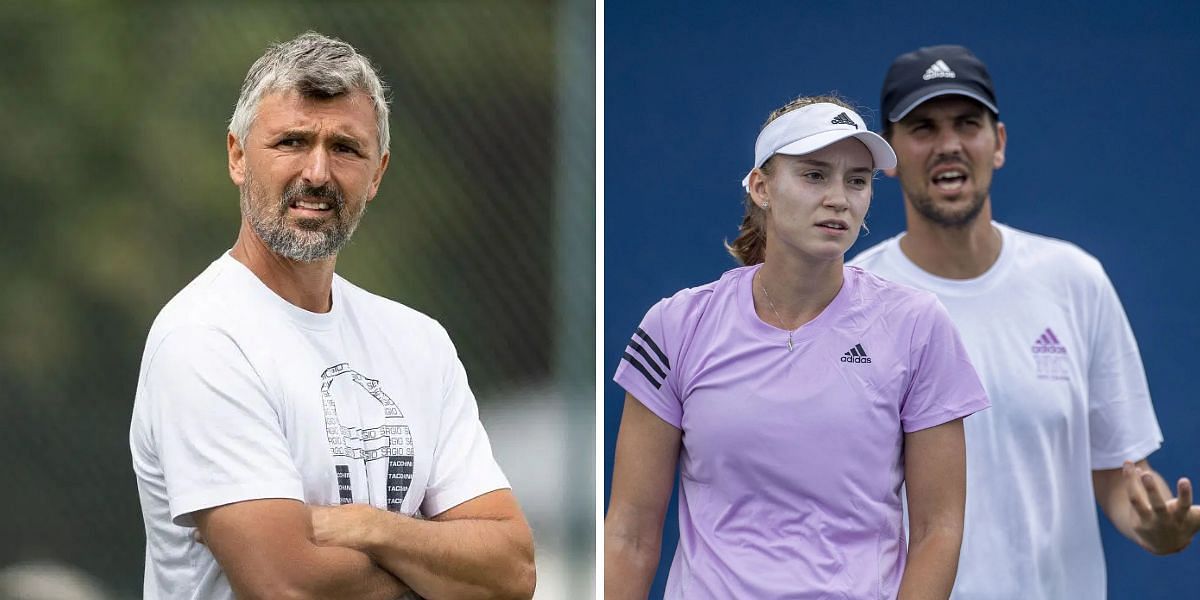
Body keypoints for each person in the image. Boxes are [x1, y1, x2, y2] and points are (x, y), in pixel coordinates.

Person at [129, 32, 535, 600]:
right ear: (238, 156)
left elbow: (512, 572)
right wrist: (434, 567)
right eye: (292, 141)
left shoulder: (419, 342)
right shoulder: (204, 340)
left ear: (378, 173)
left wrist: (368, 527)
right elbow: (289, 586)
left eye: (345, 148)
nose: (317, 173)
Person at [848, 44, 1200, 599]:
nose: (948, 145)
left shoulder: (1075, 280)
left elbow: (1118, 469)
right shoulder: (851, 300)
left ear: (999, 143)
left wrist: (1156, 526)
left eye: (968, 123)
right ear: (889, 155)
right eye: (923, 127)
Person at [605, 96, 991, 599]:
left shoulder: (917, 325)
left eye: (857, 180)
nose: (839, 198)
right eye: (814, 175)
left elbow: (937, 531)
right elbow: (629, 534)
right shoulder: (676, 325)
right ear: (762, 187)